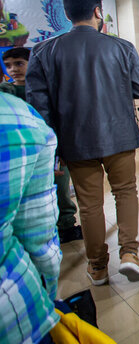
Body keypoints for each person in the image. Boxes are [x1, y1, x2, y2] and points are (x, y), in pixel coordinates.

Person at [26, 0, 139, 285]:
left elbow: (39, 108)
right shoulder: (121, 47)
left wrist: (53, 150)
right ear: (98, 11)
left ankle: (97, 266)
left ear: (67, 13)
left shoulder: (44, 51)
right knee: (125, 192)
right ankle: (130, 254)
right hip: (120, 136)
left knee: (90, 205)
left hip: (75, 142)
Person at [1, 47, 84, 244]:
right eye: (8, 66)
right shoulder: (6, 92)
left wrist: (57, 153)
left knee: (60, 189)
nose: (14, 69)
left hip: (51, 150)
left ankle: (66, 225)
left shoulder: (46, 89)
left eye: (19, 64)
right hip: (20, 153)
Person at [0, 92, 62, 344]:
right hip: (15, 311)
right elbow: (39, 237)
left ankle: (98, 266)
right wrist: (48, 294)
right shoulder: (18, 116)